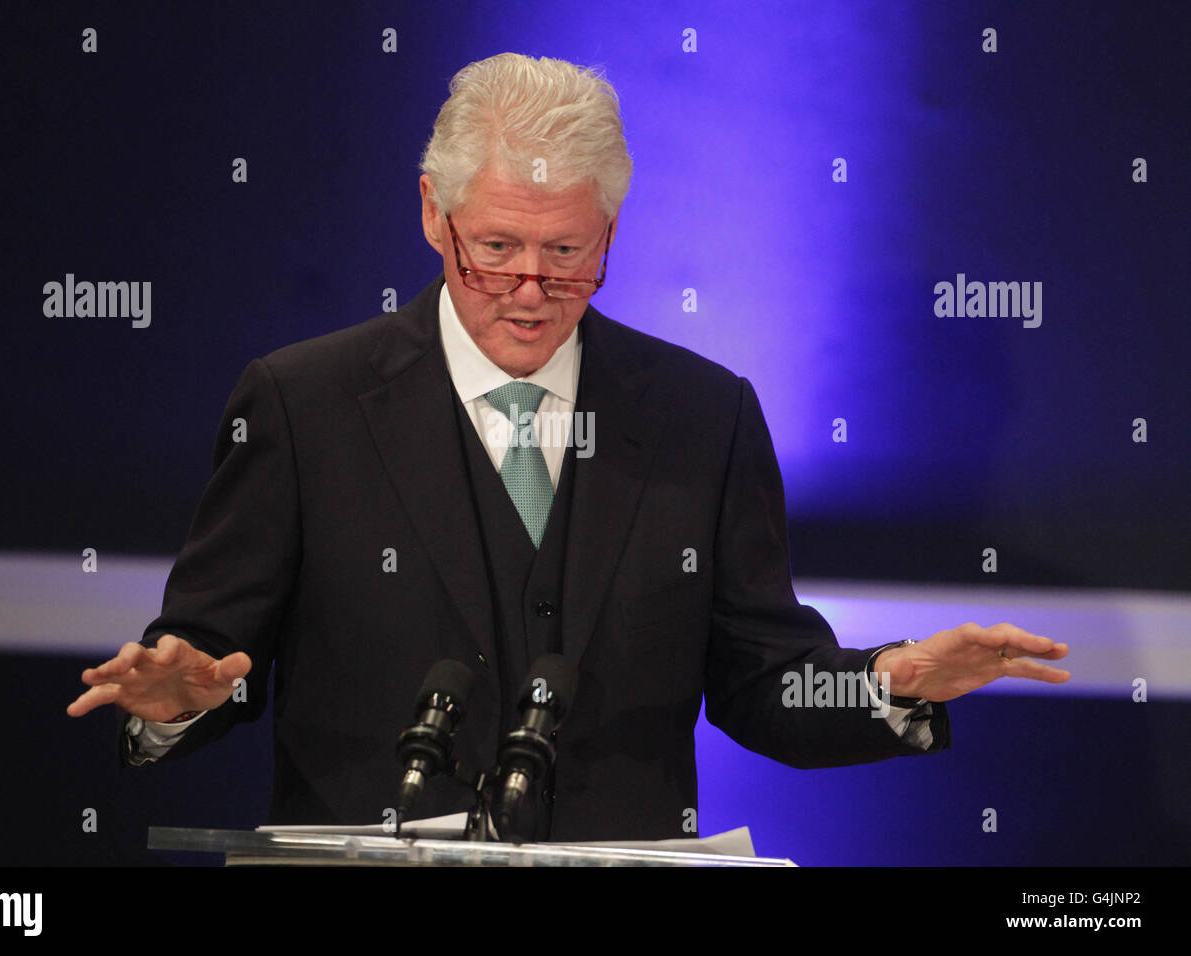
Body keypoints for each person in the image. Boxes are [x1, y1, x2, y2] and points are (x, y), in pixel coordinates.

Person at [67, 53, 1069, 843]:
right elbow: (211, 661)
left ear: (611, 232)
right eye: (497, 247)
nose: (530, 287)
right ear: (432, 214)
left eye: (566, 252)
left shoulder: (700, 413)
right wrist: (178, 701)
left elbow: (764, 679)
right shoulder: (301, 404)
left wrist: (887, 680)